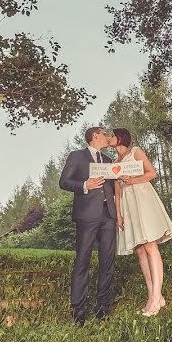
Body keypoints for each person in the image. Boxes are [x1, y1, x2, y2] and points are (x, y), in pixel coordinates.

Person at [110, 128, 172, 317]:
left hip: (142, 198)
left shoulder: (135, 151)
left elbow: (152, 173)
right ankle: (153, 296)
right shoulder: (115, 163)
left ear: (120, 137)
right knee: (140, 250)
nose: (110, 138)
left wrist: (132, 180)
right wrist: (119, 214)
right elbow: (117, 192)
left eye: (112, 135)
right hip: (128, 205)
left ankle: (156, 298)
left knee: (150, 246)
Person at [58, 126, 117, 325]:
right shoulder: (77, 156)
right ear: (95, 136)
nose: (107, 137)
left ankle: (103, 308)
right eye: (104, 134)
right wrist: (85, 185)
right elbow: (64, 182)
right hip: (86, 217)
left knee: (107, 263)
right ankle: (78, 311)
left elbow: (114, 188)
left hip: (108, 216)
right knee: (82, 261)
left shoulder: (109, 161)